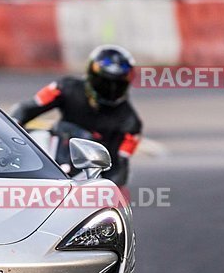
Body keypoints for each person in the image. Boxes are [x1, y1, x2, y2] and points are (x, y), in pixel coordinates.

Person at [10, 45, 142, 185]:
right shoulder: (64, 87)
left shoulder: (131, 124)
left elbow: (120, 166)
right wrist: (10, 135)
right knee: (35, 135)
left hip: (86, 175)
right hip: (54, 152)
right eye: (104, 83)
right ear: (92, 75)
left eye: (117, 84)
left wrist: (106, 191)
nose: (111, 89)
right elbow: (26, 109)